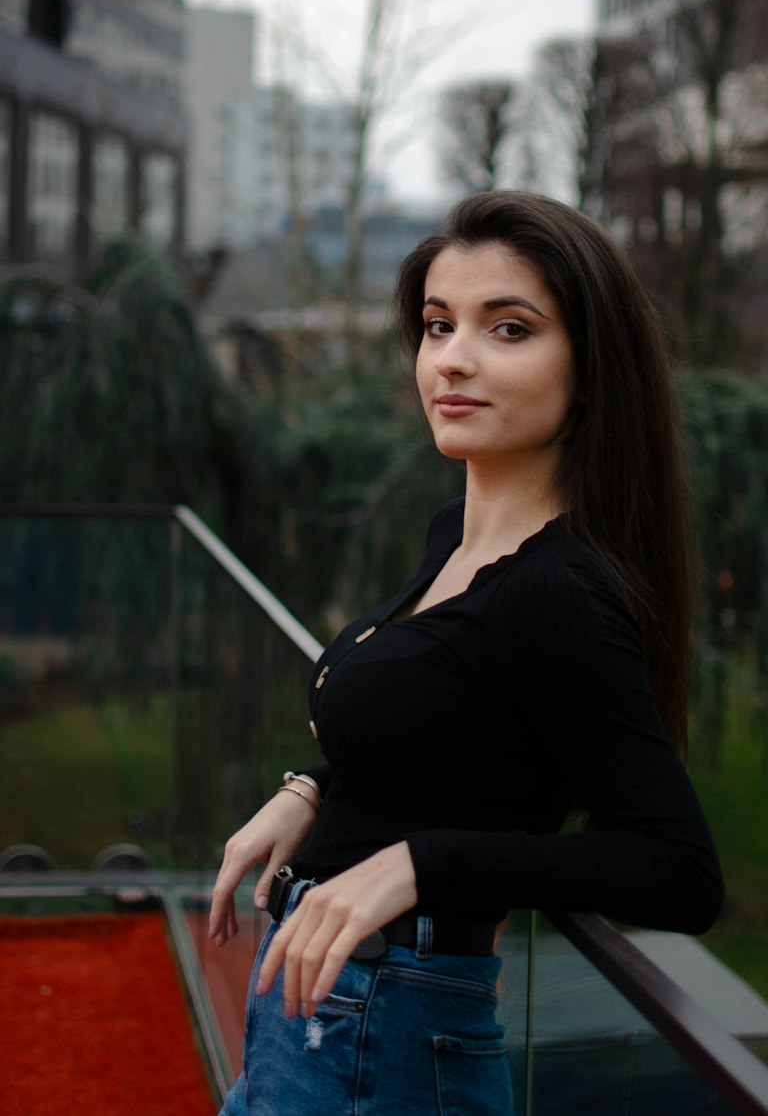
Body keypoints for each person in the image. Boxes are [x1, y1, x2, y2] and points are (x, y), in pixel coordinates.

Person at [210, 190, 724, 1115]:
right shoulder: (458, 539)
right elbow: (450, 725)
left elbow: (677, 867)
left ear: (592, 365)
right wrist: (312, 787)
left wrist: (421, 863)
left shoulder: (556, 589)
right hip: (313, 1021)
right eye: (438, 323)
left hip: (389, 1038)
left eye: (510, 328)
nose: (452, 357)